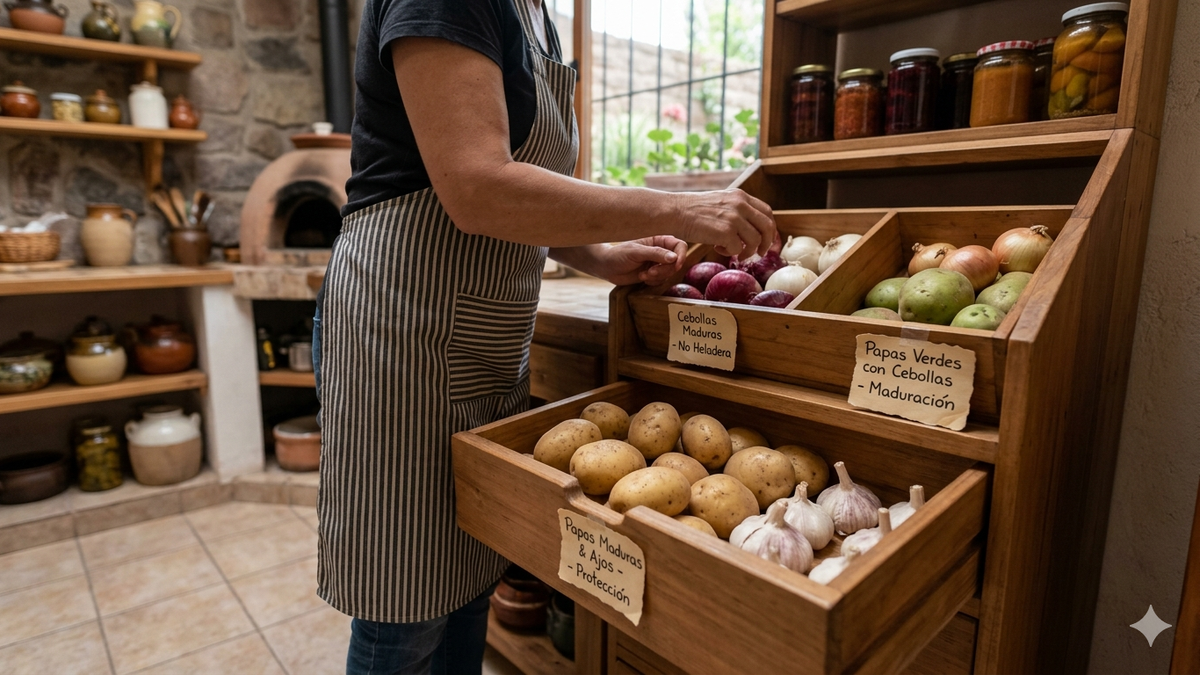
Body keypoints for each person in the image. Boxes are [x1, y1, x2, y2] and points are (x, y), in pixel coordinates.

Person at [313, 0, 776, 672]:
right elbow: (475, 187)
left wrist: (600, 254)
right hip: (402, 326)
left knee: (470, 576)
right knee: (405, 607)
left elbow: (523, 197)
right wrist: (679, 204)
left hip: (483, 333)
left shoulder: (536, 16)